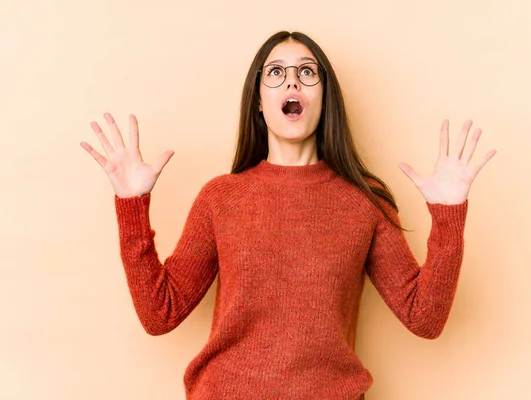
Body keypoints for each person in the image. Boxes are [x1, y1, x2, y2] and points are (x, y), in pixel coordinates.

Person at [80, 31, 496, 400]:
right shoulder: (221, 198)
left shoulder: (363, 202)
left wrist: (448, 213)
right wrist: (131, 204)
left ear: (323, 97)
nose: (292, 80)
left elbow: (424, 318)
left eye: (306, 72)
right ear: (259, 102)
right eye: (275, 72)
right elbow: (160, 313)